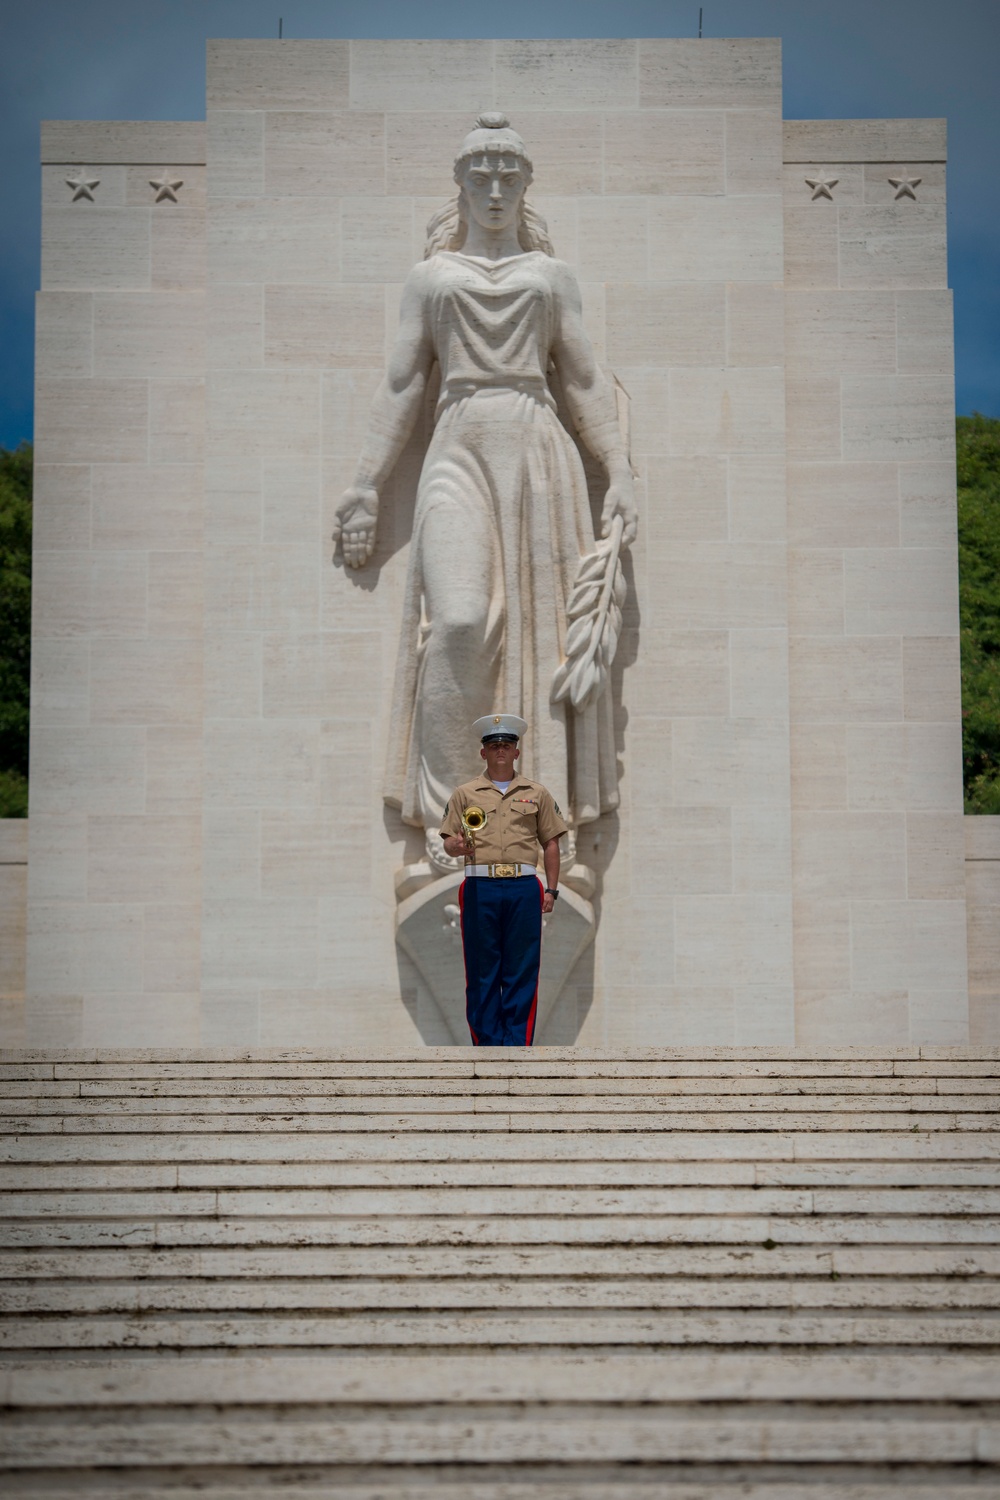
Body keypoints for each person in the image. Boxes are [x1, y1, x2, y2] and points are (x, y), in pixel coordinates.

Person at [332, 113, 637, 861]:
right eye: (481, 174)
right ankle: (455, 824)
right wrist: (367, 485)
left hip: (536, 446)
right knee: (460, 622)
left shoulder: (550, 278)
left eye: (509, 174)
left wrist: (620, 471)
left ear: (525, 185)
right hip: (457, 440)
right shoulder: (431, 278)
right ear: (461, 185)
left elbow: (587, 380)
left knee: (537, 641)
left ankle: (524, 828)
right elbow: (404, 382)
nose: (495, 188)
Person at [440, 714, 567, 1046]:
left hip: (524, 885)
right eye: (494, 745)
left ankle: (516, 1045)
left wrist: (552, 889)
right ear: (482, 753)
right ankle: (487, 1045)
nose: (500, 751)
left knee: (522, 968)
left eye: (506, 745)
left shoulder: (536, 793)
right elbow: (449, 842)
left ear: (517, 752)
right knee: (482, 969)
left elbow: (551, 843)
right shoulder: (464, 794)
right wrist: (457, 845)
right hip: (480, 884)